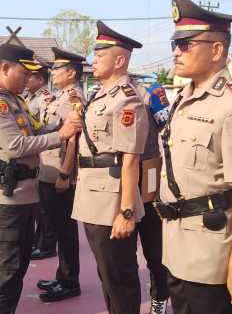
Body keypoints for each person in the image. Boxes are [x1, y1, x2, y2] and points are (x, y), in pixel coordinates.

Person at [156, 0, 232, 314]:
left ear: (216, 50)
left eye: (186, 44)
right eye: (175, 44)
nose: (177, 51)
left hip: (211, 251)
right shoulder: (185, 98)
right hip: (178, 244)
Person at [0, 43, 81, 314]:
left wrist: (62, 127)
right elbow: (16, 146)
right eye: (23, 73)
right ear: (5, 68)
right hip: (3, 202)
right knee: (5, 273)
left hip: (23, 196)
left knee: (16, 268)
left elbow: (37, 130)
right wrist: (61, 134)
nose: (27, 79)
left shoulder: (15, 101)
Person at [70, 20, 149, 314]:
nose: (93, 60)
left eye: (100, 55)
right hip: (93, 193)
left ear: (119, 60)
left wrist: (126, 211)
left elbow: (130, 158)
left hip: (111, 198)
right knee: (106, 273)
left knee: (119, 276)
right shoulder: (100, 95)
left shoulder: (127, 99)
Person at [35, 47, 85, 303]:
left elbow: (73, 140)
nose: (52, 73)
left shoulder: (74, 99)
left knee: (65, 229)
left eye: (57, 69)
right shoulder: (56, 98)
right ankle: (62, 276)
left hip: (60, 174)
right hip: (47, 169)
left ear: (71, 72)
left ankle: (69, 281)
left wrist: (65, 173)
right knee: (55, 225)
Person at [134, 81, 171, 314]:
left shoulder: (149, 92)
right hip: (114, 177)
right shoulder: (99, 94)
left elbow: (168, 125)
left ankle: (159, 297)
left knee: (153, 244)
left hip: (146, 171)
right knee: (119, 251)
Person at [24, 68, 57, 261]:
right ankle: (39, 242)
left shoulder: (45, 98)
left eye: (31, 76)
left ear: (41, 79)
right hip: (38, 156)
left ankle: (47, 244)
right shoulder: (29, 97)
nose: (27, 79)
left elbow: (46, 127)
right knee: (39, 206)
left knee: (45, 208)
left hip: (47, 155)